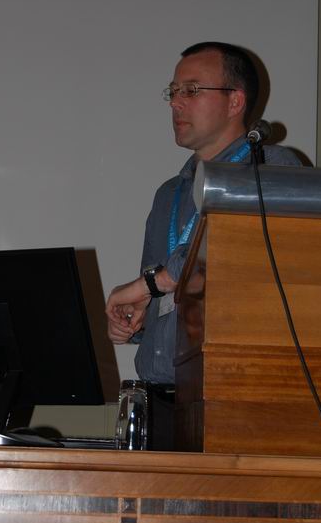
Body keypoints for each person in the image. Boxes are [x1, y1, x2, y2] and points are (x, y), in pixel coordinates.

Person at [106, 41, 301, 389]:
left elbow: (232, 252)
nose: (175, 102)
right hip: (160, 394)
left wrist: (153, 283)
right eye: (173, 91)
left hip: (231, 391)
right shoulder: (169, 194)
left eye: (191, 90)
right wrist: (136, 319)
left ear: (235, 101)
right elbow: (165, 293)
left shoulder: (269, 167)